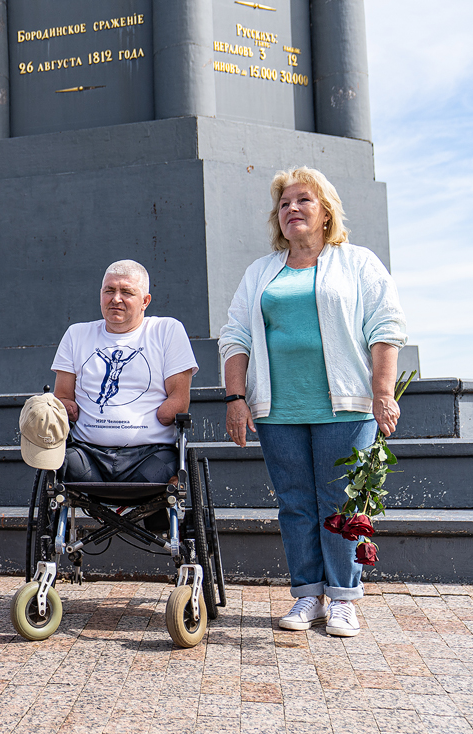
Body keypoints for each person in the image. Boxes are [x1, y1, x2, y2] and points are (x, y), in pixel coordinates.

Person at [219, 166, 407, 638]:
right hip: (278, 409)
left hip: (345, 406)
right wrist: (236, 397)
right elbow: (235, 335)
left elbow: (385, 328)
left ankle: (344, 598)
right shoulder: (260, 272)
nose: (292, 209)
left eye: (303, 200)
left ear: (325, 212)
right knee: (295, 505)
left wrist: (383, 393)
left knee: (342, 503)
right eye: (284, 203)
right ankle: (308, 594)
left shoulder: (357, 263)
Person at [51, 260, 198, 491]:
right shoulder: (76, 334)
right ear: (100, 295)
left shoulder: (167, 331)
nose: (115, 298)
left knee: (164, 474)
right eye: (109, 290)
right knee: (57, 464)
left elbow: (179, 400)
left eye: (127, 292)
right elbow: (62, 396)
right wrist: (66, 406)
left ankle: (157, 523)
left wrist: (165, 414)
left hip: (151, 454)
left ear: (145, 301)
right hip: (88, 456)